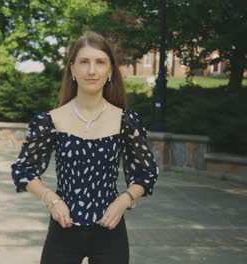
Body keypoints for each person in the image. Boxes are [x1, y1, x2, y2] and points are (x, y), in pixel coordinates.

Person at [11, 31, 159, 264]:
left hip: (111, 233)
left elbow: (147, 172)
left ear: (110, 70)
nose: (92, 70)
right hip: (63, 232)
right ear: (72, 69)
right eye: (84, 62)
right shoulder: (51, 120)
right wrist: (52, 199)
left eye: (100, 62)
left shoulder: (126, 121)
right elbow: (23, 170)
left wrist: (124, 200)